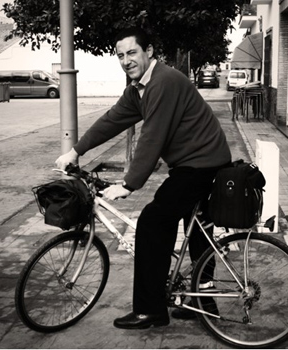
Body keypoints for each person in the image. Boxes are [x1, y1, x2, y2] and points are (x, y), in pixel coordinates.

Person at [55, 27, 232, 329]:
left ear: (149, 51)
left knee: (153, 221)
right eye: (120, 55)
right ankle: (202, 300)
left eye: (132, 52)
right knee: (199, 229)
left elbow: (152, 137)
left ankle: (150, 310)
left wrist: (128, 184)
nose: (126, 60)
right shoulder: (139, 87)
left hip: (201, 164)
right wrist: (76, 150)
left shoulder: (163, 82)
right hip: (199, 162)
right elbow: (112, 120)